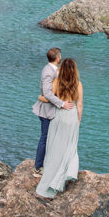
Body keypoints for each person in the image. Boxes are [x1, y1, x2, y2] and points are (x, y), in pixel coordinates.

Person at [36, 57, 83, 200]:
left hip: (59, 117)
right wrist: (78, 121)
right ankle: (67, 174)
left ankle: (51, 180)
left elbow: (48, 97)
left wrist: (40, 97)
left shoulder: (56, 83)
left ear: (61, 69)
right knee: (70, 147)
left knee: (55, 148)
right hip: (72, 117)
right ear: (75, 70)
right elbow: (79, 105)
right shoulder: (78, 84)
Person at [32, 47, 74, 176]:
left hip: (53, 110)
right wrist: (62, 104)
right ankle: (38, 167)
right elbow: (46, 93)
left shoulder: (55, 70)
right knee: (45, 138)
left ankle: (51, 165)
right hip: (47, 111)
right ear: (58, 58)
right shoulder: (48, 71)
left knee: (54, 139)